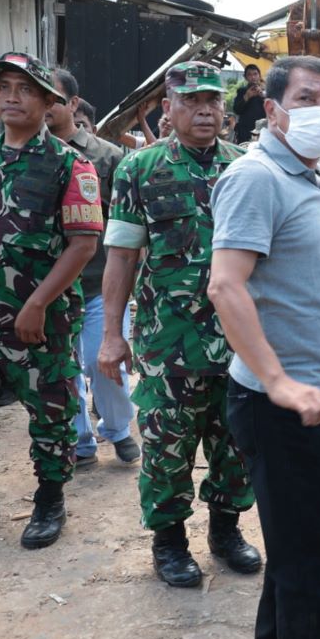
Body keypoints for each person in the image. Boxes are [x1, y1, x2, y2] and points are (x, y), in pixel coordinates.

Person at [209, 55, 320, 639]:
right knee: (312, 567)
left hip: (319, 393)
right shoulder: (257, 177)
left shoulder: (310, 177)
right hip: (282, 404)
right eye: (306, 99)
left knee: (299, 553)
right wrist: (278, 381)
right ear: (271, 110)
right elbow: (225, 286)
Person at [98, 61, 260, 588]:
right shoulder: (139, 169)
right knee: (167, 449)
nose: (204, 110)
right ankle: (168, 543)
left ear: (225, 109)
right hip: (168, 343)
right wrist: (111, 334)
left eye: (212, 100)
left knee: (236, 445)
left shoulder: (248, 167)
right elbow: (122, 257)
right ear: (167, 108)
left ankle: (226, 531)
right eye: (191, 100)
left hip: (238, 342)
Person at [0, 51, 101, 549]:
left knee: (51, 408)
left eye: (25, 89)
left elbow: (83, 245)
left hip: (41, 317)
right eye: (4, 87)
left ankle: (49, 500)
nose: (12, 97)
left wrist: (37, 303)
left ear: (47, 102)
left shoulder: (71, 165)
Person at [46, 67, 139, 468]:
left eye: (52, 97)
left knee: (105, 364)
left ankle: (117, 430)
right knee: (62, 369)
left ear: (73, 103)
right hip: (47, 287)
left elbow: (128, 222)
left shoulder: (107, 156)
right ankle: (81, 441)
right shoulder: (21, 156)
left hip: (98, 282)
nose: (43, 104)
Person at [233, 64, 266, 144]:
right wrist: (246, 97)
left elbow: (273, 109)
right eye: (249, 75)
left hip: (262, 131)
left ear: (259, 76)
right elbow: (236, 110)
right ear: (245, 77)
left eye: (255, 74)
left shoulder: (266, 92)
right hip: (245, 132)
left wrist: (262, 96)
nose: (253, 77)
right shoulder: (242, 91)